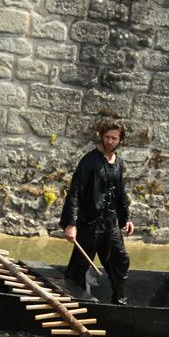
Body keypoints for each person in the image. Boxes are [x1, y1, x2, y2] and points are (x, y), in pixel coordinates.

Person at [59, 118, 134, 305]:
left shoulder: (119, 162)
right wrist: (71, 224)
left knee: (120, 262)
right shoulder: (89, 161)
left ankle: (120, 302)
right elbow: (75, 192)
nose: (110, 141)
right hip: (89, 225)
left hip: (111, 225)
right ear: (101, 137)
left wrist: (126, 219)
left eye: (114, 138)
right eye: (107, 137)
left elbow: (120, 193)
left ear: (120, 140)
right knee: (78, 268)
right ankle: (71, 303)